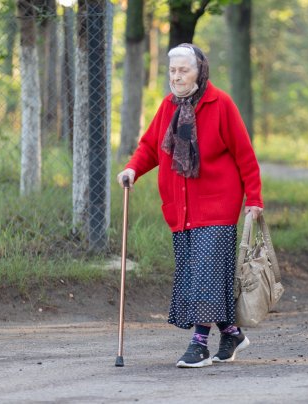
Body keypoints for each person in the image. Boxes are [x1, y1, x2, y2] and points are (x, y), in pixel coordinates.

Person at [117, 43, 264, 368]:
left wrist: (253, 198)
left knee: (205, 276)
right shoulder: (168, 106)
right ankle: (232, 333)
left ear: (200, 71)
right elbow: (150, 148)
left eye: (184, 70)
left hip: (217, 206)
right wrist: (132, 169)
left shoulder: (220, 103)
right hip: (181, 210)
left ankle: (198, 345)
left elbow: (244, 154)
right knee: (196, 276)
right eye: (172, 71)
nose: (177, 77)